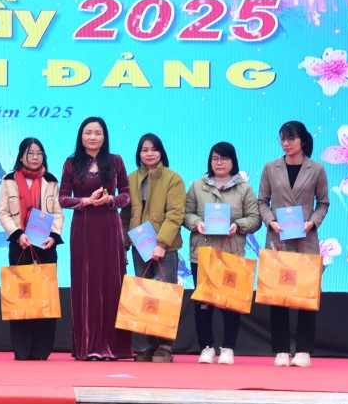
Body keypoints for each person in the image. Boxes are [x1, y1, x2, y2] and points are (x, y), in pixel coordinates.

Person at [58, 116, 132, 361]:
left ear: (104, 136)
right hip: (83, 227)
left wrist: (111, 200)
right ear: (81, 136)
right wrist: (86, 201)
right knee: (85, 283)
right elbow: (62, 198)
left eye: (98, 133)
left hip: (110, 227)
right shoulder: (71, 163)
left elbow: (126, 196)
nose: (93, 137)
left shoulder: (115, 161)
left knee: (112, 283)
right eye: (88, 132)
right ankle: (88, 347)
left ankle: (113, 347)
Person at [258, 120, 330, 368]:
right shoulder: (270, 168)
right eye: (282, 138)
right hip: (278, 238)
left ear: (303, 140)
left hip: (305, 239)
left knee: (306, 294)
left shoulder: (317, 169)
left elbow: (323, 203)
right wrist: (271, 221)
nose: (286, 143)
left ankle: (303, 350)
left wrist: (312, 222)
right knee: (278, 294)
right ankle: (280, 349)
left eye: (291, 138)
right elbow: (262, 202)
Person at [183, 142, 260, 365]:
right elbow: (185, 214)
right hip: (203, 253)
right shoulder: (197, 186)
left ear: (233, 161)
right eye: (215, 158)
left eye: (224, 158)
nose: (219, 163)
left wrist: (238, 225)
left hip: (231, 253)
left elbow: (255, 219)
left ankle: (228, 348)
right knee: (203, 302)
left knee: (230, 302)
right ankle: (206, 347)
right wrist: (196, 223)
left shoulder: (244, 189)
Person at [0, 137, 64, 361]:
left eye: (39, 154)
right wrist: (17, 234)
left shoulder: (51, 181)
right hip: (20, 245)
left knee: (45, 297)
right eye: (30, 153)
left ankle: (42, 349)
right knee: (22, 296)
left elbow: (58, 213)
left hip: (45, 245)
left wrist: (54, 236)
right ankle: (22, 349)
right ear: (21, 156)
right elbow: (3, 213)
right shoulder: (9, 181)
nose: (35, 158)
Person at [123, 133, 186, 363]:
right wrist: (123, 245)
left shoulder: (173, 178)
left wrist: (161, 244)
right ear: (138, 154)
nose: (149, 154)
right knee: (145, 296)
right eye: (144, 150)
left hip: (164, 249)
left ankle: (165, 347)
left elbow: (175, 214)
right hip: (139, 247)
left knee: (163, 295)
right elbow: (125, 215)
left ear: (161, 152)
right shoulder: (130, 179)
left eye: (153, 149)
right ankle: (149, 345)